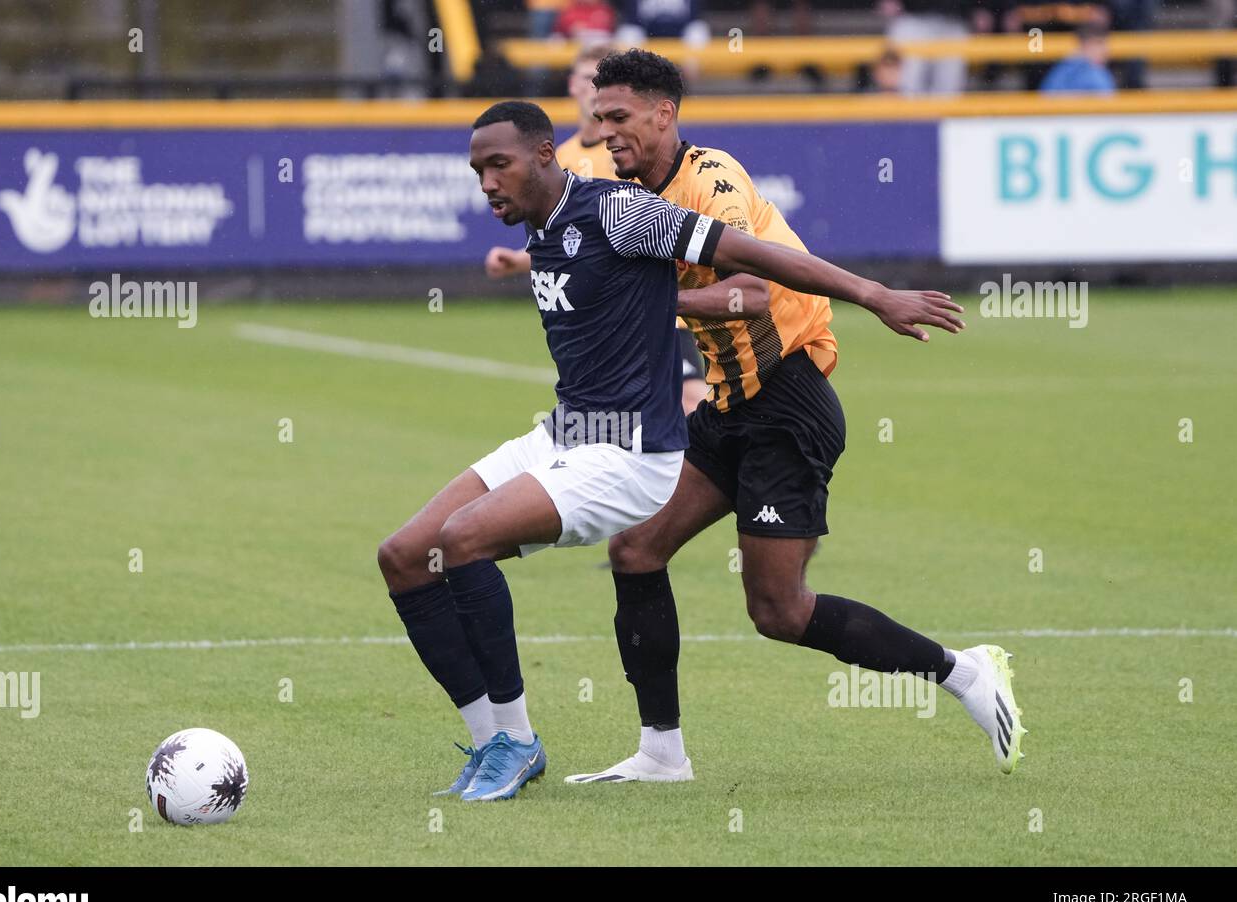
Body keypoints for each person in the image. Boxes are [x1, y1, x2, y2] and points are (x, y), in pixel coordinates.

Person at [378, 99, 967, 801]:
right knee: (407, 555)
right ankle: (489, 744)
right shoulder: (544, 227)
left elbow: (754, 261)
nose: (486, 183)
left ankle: (519, 742)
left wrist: (874, 294)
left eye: (498, 165)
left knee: (463, 540)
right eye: (477, 171)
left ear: (545, 153)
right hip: (568, 431)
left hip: (629, 452)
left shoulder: (619, 211)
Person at [559, 50, 1026, 786]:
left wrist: (874, 297)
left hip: (788, 401)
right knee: (636, 551)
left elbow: (747, 291)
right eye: (599, 118)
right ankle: (661, 754)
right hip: (728, 404)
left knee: (777, 610)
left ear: (663, 114)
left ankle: (963, 671)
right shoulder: (627, 192)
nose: (605, 132)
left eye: (619, 118)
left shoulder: (711, 179)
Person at [484, 45, 708, 415]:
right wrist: (518, 260)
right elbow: (568, 246)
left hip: (655, 310)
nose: (593, 89)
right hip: (598, 319)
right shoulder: (558, 162)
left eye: (599, 81)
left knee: (690, 400)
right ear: (572, 86)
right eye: (587, 79)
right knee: (612, 422)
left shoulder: (631, 152)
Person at [1040, 24, 1116, 95]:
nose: (1105, 50)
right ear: (1085, 45)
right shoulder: (1069, 69)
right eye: (1099, 43)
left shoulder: (1066, 67)